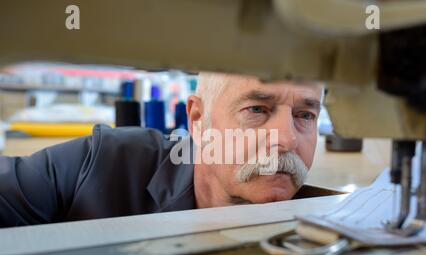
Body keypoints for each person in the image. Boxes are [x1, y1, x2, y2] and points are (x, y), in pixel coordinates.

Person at [0, 72, 324, 227]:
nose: (287, 140)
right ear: (198, 120)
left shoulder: (327, 219)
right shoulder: (103, 163)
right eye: (257, 110)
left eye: (305, 115)